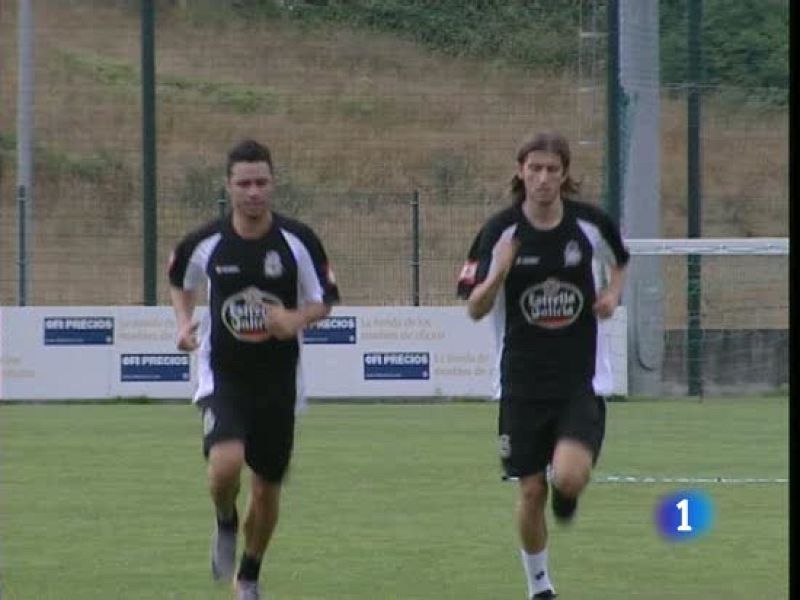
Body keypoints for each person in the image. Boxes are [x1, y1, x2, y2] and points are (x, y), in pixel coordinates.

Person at [456, 131, 629, 599]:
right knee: (531, 491)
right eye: (535, 168)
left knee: (568, 477)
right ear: (520, 171)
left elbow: (621, 261)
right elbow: (472, 308)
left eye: (553, 169)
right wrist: (498, 273)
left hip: (579, 380)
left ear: (565, 174)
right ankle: (540, 587)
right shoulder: (499, 232)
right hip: (520, 383)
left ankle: (568, 494)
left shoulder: (590, 225)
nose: (543, 178)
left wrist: (613, 294)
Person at [168, 139, 340, 600]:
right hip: (224, 374)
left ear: (273, 183)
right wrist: (184, 323)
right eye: (244, 183)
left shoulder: (296, 240)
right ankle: (225, 520)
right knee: (225, 466)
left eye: (261, 182)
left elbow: (325, 299)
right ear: (229, 186)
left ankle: (249, 575)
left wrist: (295, 318)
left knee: (265, 490)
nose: (253, 192)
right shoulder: (206, 242)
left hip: (279, 381)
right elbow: (179, 281)